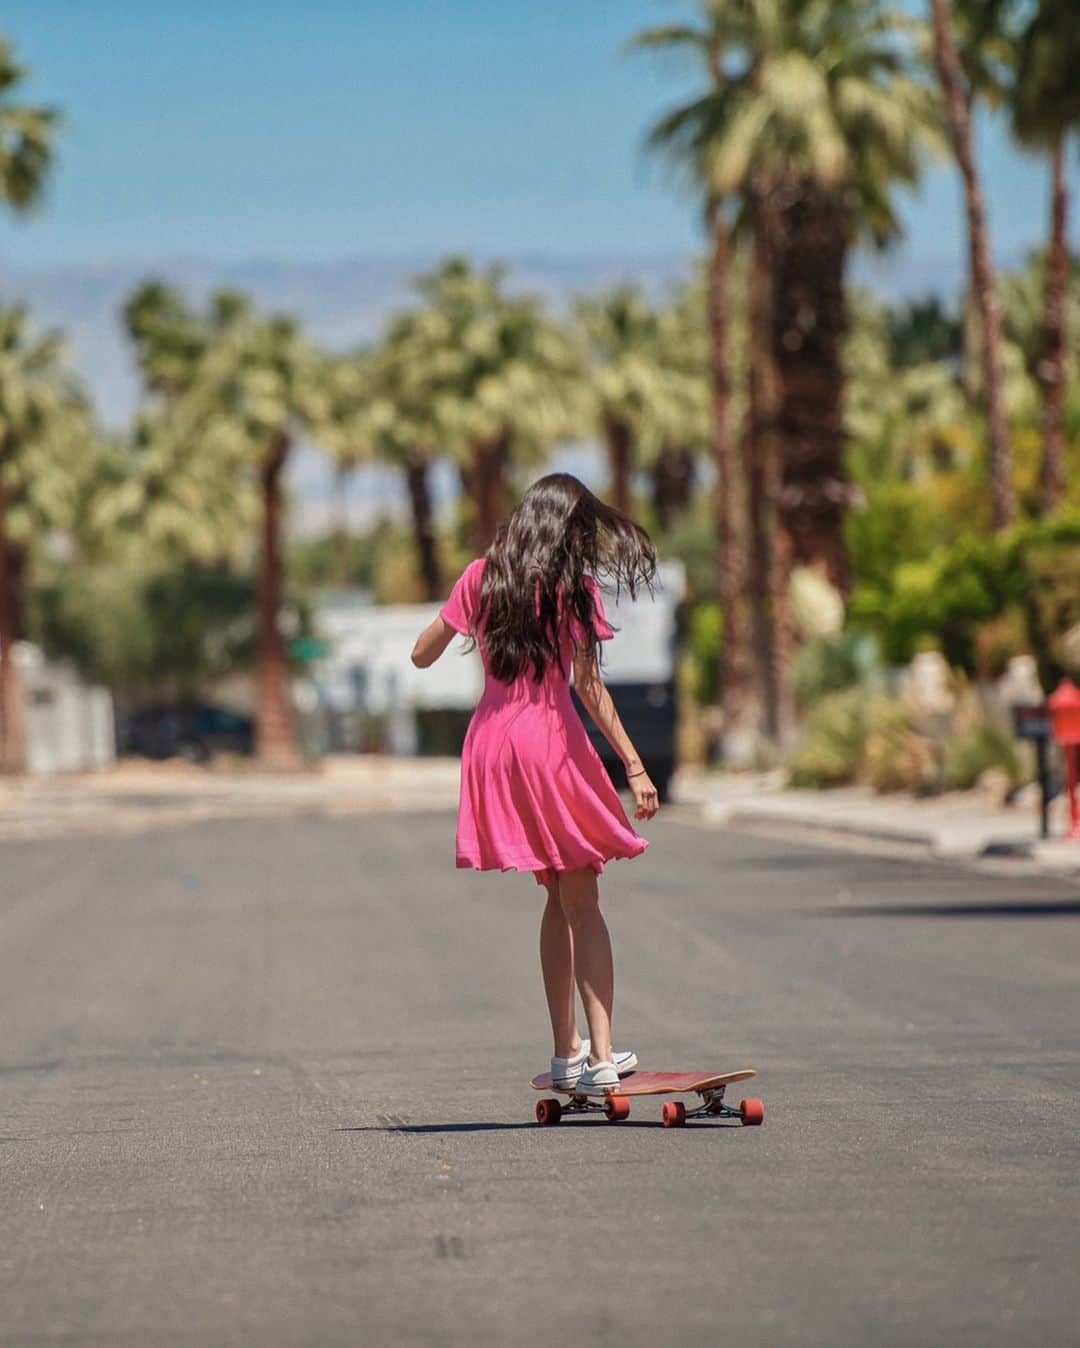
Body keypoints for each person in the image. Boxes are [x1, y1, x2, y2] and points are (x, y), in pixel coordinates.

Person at [411, 473, 660, 1094]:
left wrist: (455, 613)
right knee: (584, 900)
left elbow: (420, 655)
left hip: (492, 750)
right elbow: (587, 686)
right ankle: (604, 1057)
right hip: (548, 745)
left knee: (555, 894)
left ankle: (565, 1054)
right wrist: (632, 763)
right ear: (564, 529)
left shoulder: (482, 577)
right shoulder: (571, 588)